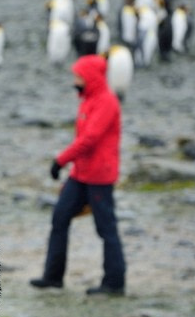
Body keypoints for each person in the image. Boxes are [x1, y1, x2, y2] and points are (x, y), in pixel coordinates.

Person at [30, 54, 126, 296]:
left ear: (90, 77)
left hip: (99, 177)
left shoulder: (106, 102)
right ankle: (53, 277)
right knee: (60, 217)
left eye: (78, 76)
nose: (75, 80)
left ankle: (114, 282)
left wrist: (61, 160)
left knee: (106, 228)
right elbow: (84, 142)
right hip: (81, 173)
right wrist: (71, 171)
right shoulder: (88, 99)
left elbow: (90, 140)